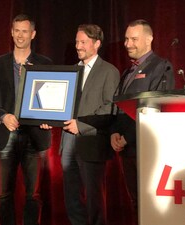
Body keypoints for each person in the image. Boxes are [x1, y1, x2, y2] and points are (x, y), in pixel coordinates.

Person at [41, 24, 120, 225]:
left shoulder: (109, 71)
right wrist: (48, 118)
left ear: (97, 43)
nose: (78, 46)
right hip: (68, 140)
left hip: (91, 142)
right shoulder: (72, 71)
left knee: (94, 198)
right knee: (71, 197)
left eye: (83, 42)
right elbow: (61, 105)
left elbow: (109, 108)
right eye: (77, 42)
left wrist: (82, 125)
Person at [0, 14, 52, 225]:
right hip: (6, 135)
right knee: (4, 194)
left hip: (35, 136)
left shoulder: (45, 63)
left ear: (33, 34)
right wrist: (3, 116)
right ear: (12, 32)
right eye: (17, 31)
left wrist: (50, 118)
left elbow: (53, 98)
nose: (20, 35)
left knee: (34, 195)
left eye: (25, 31)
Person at [110, 19, 175, 223]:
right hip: (127, 149)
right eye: (127, 39)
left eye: (134, 39)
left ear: (149, 39)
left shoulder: (161, 67)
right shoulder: (128, 71)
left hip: (146, 148)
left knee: (151, 203)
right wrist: (114, 133)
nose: (128, 43)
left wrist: (128, 137)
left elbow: (155, 106)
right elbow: (118, 106)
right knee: (136, 202)